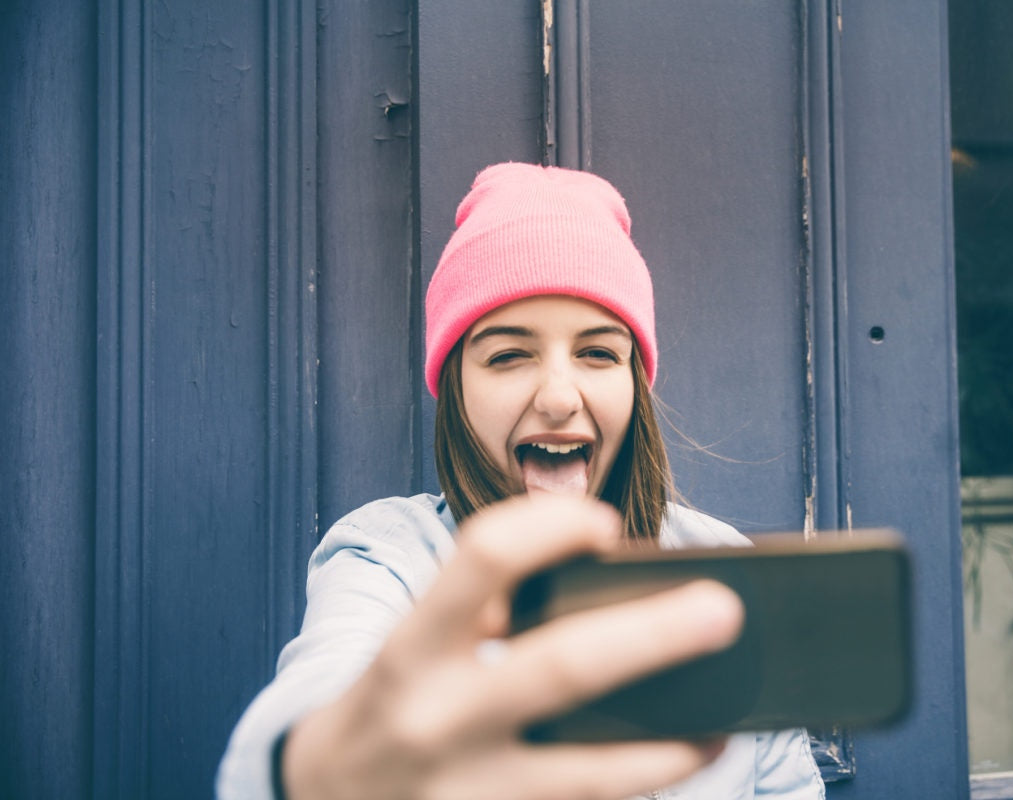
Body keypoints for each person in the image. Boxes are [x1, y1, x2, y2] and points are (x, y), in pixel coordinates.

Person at [216, 162, 825, 800]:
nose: (560, 397)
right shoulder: (386, 556)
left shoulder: (723, 567)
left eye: (598, 352)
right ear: (455, 389)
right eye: (508, 355)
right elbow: (325, 690)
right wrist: (320, 770)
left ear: (635, 385)